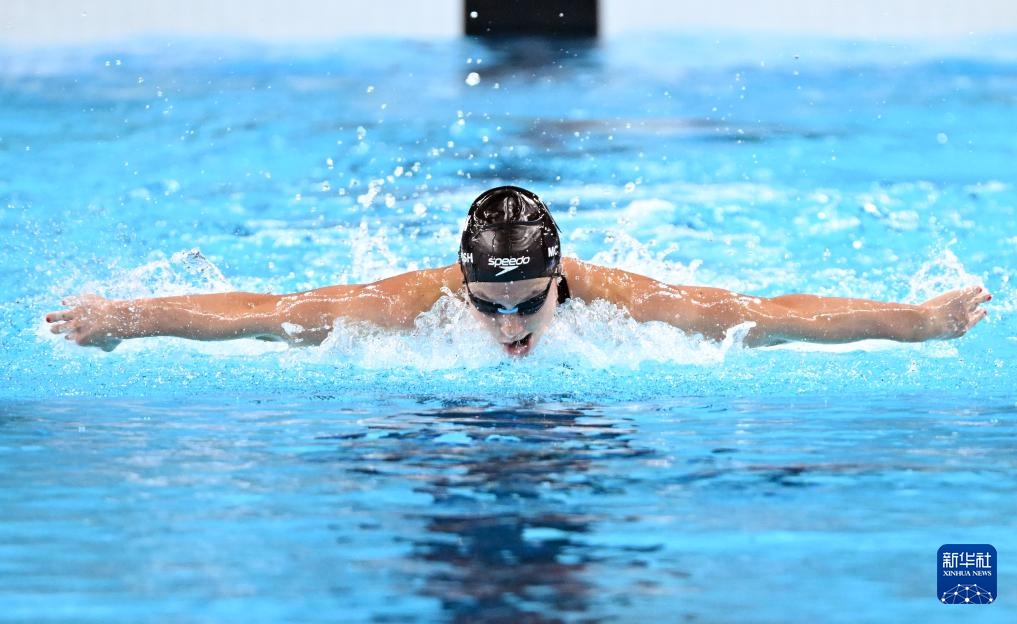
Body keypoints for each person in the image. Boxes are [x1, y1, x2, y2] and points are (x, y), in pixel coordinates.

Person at [46, 186, 990, 357]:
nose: (509, 329)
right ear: (459, 281)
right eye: (485, 304)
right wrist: (121, 316)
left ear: (557, 277)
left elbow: (769, 314)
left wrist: (917, 320)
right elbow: (257, 312)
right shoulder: (398, 305)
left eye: (525, 301)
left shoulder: (628, 300)